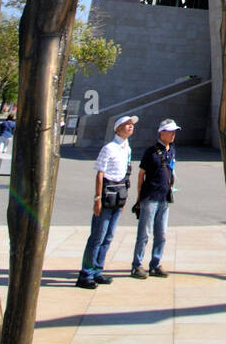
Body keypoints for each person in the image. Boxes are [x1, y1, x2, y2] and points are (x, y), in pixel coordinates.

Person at [75, 114, 138, 289]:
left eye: (132, 125)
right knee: (97, 236)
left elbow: (126, 174)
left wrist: (124, 198)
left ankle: (97, 270)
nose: (130, 127)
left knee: (108, 237)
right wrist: (97, 198)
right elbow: (100, 174)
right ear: (117, 129)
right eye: (127, 125)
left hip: (119, 196)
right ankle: (85, 274)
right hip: (106, 196)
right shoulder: (109, 148)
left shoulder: (127, 149)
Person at [131, 120, 180, 279]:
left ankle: (155, 264)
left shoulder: (172, 150)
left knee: (162, 234)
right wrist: (139, 198)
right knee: (144, 233)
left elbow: (171, 169)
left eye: (174, 132)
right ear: (161, 133)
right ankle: (137, 265)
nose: (173, 134)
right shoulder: (151, 152)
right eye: (170, 131)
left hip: (165, 197)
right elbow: (141, 175)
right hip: (150, 196)